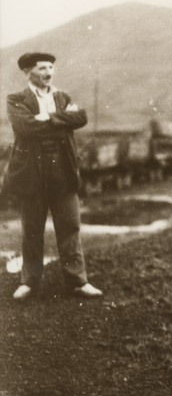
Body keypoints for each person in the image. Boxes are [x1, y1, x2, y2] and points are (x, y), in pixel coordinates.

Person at [2, 52, 102, 301]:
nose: (49, 73)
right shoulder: (16, 99)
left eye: (51, 68)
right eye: (42, 68)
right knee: (32, 230)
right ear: (27, 72)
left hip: (63, 173)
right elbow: (26, 127)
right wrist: (62, 120)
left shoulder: (62, 97)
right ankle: (30, 282)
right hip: (31, 174)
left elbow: (81, 117)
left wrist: (47, 117)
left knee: (70, 226)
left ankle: (77, 281)